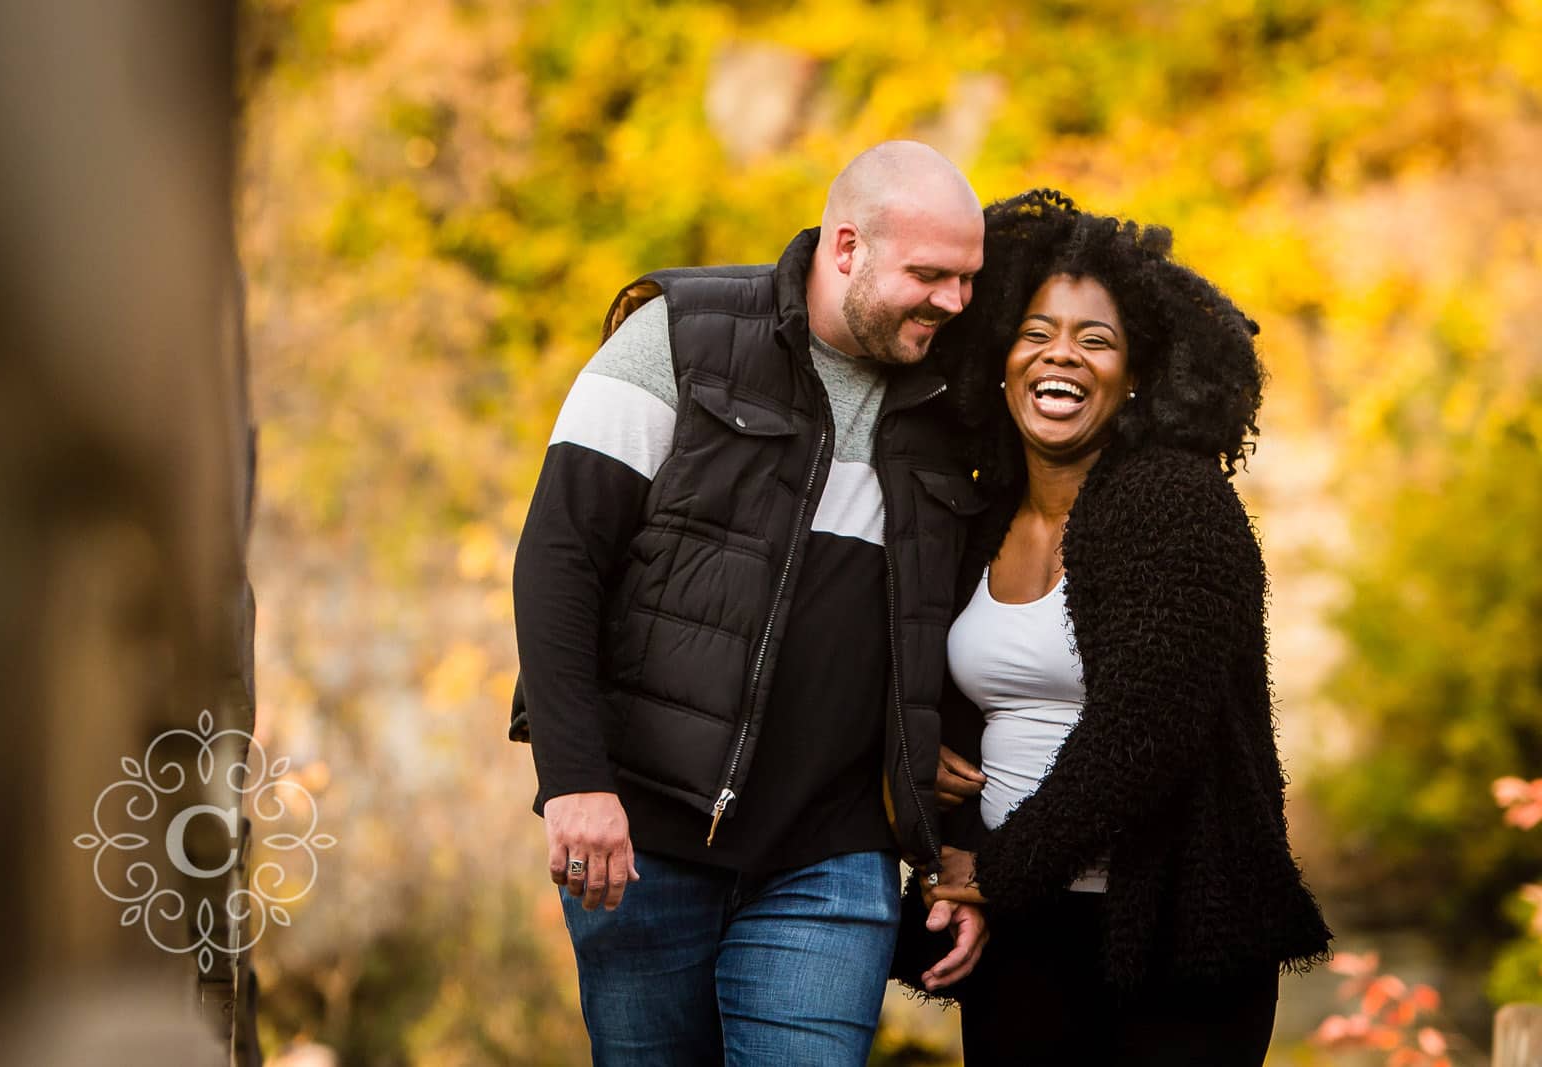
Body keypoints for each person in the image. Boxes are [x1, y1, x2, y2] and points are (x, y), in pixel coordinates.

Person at [510, 141, 992, 1065]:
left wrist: (955, 850)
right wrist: (575, 778)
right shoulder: (679, 337)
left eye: (966, 280)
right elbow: (560, 560)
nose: (954, 303)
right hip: (644, 836)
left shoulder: (949, 403)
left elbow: (969, 625)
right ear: (846, 248)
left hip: (834, 849)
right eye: (930, 276)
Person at [921, 190, 1333, 1065]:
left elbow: (1146, 731)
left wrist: (997, 872)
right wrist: (916, 769)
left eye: (1094, 338)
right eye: (1035, 332)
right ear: (999, 357)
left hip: (1170, 937)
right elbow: (934, 684)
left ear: (1137, 372)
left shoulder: (1175, 502)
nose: (1059, 354)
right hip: (1021, 931)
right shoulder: (983, 513)